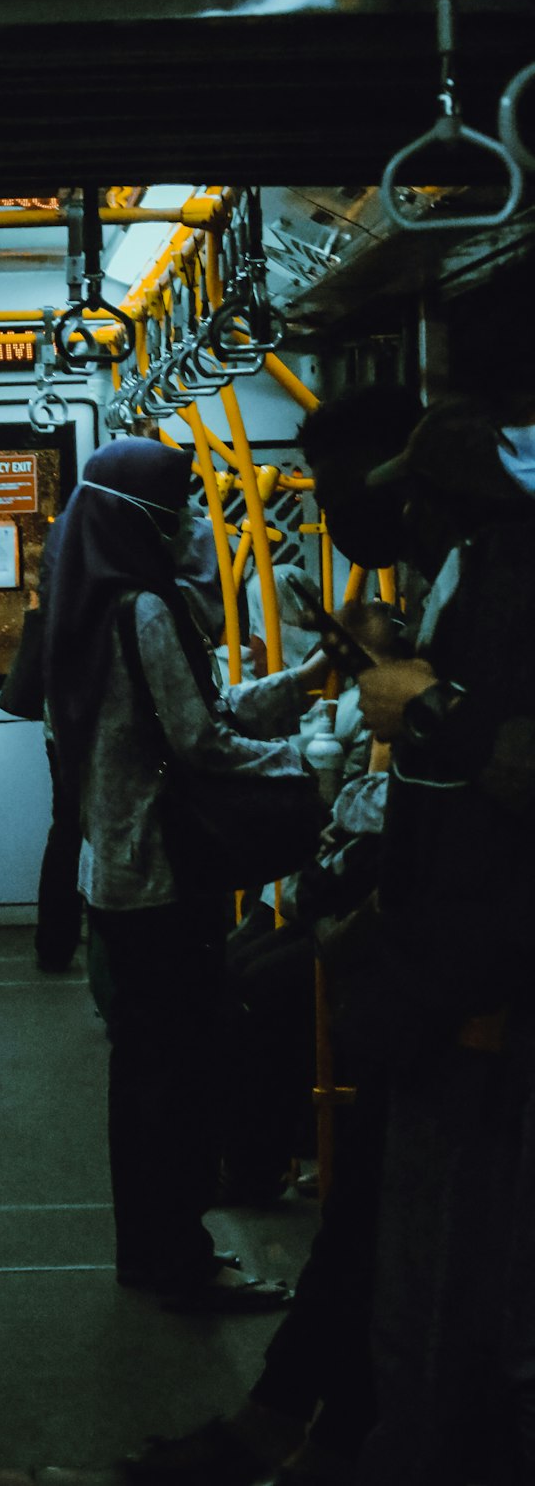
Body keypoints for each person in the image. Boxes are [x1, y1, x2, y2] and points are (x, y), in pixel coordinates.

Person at [43, 435, 328, 1312]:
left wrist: (306, 679)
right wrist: (305, 763)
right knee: (184, 1075)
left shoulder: (84, 609)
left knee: (143, 1079)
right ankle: (183, 1256)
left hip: (118, 874)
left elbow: (194, 712)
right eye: (181, 510)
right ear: (148, 521)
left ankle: (151, 1248)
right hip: (168, 874)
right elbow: (200, 739)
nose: (193, 526)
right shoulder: (148, 612)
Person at [333, 395, 535, 1485]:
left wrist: (424, 703)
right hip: (452, 954)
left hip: (476, 973)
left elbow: (494, 769)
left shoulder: (501, 583)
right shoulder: (476, 578)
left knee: (445, 1263)